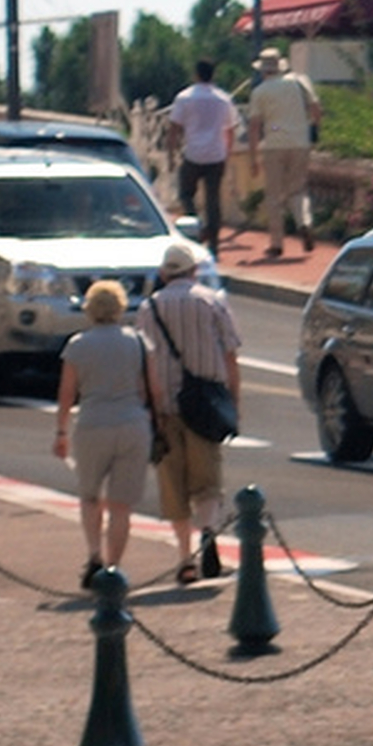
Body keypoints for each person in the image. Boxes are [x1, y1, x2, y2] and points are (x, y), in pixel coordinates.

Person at [139, 242, 242, 585]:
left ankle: (184, 559)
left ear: (165, 274)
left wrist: (150, 410)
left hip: (166, 407)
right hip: (206, 404)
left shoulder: (149, 308)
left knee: (174, 487)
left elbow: (145, 363)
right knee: (207, 481)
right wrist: (234, 403)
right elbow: (231, 357)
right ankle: (209, 532)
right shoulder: (212, 302)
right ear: (194, 271)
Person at [53, 280, 158, 590]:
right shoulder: (138, 342)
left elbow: (67, 393)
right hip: (132, 424)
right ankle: (114, 567)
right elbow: (152, 388)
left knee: (89, 496)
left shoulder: (77, 345)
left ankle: (94, 556)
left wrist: (61, 431)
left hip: (92, 424)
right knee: (121, 505)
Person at [244, 47, 320, 259]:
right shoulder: (299, 82)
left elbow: (254, 127)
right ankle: (304, 222)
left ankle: (277, 243)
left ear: (262, 70)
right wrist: (310, 127)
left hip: (274, 143)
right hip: (300, 142)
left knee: (274, 196)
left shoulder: (260, 92)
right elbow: (316, 109)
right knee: (298, 190)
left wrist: (253, 157)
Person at [165, 59, 241, 254]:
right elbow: (231, 129)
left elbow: (173, 128)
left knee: (185, 193)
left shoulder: (185, 97)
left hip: (193, 153)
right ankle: (214, 242)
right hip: (216, 154)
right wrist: (227, 152)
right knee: (213, 200)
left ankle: (195, 226)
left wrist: (171, 155)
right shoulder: (223, 99)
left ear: (196, 74)